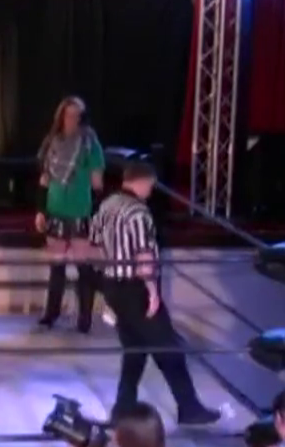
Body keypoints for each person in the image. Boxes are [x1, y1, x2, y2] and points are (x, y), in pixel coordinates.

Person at [89, 160, 221, 426]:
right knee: (168, 347)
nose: (150, 192)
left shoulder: (107, 205)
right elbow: (144, 255)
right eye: (150, 186)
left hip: (113, 284)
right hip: (135, 288)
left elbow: (94, 246)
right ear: (143, 182)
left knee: (135, 349)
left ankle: (123, 410)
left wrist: (108, 279)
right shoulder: (139, 212)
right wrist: (152, 291)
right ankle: (189, 408)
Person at [34, 96, 105, 333]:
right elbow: (44, 180)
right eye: (69, 114)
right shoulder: (52, 142)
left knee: (83, 267)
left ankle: (84, 319)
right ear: (61, 116)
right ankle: (51, 314)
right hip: (55, 208)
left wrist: (96, 214)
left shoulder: (90, 143)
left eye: (78, 115)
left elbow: (97, 183)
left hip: (80, 210)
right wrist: (40, 211)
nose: (73, 119)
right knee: (57, 267)